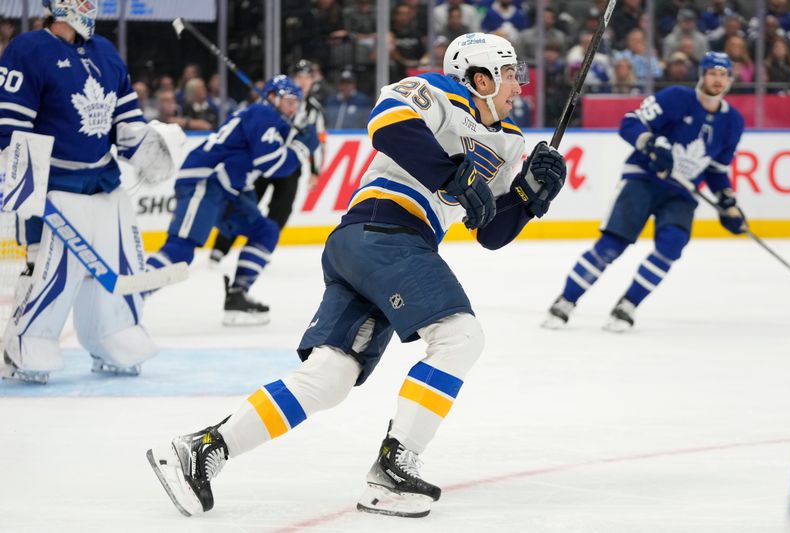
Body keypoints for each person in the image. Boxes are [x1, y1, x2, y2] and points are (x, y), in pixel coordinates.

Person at [147, 33, 567, 518]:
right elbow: (387, 123)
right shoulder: (438, 92)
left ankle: (201, 450)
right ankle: (392, 470)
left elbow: (489, 231)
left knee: (328, 379)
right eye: (511, 73)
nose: (520, 83)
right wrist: (452, 175)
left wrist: (530, 197)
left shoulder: (510, 141)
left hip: (373, 246)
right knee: (460, 336)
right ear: (480, 78)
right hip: (384, 231)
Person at [0, 0, 176, 384]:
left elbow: (125, 121)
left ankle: (114, 335)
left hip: (105, 185)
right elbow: (10, 125)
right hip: (55, 187)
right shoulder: (28, 49)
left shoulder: (106, 52)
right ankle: (29, 343)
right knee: (51, 270)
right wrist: (19, 180)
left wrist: (149, 148)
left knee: (121, 263)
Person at [542, 52, 746, 332]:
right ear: (702, 74)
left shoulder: (733, 122)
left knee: (672, 245)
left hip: (680, 193)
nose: (717, 79)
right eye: (712, 72)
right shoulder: (676, 97)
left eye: (723, 74)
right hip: (643, 179)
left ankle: (628, 305)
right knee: (611, 245)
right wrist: (651, 143)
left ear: (731, 79)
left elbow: (717, 170)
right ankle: (566, 301)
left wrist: (728, 201)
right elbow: (630, 122)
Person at [145, 75, 319, 326]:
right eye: (290, 101)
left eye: (297, 103)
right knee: (180, 251)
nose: (294, 108)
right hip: (204, 181)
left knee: (265, 231)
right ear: (272, 97)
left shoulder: (264, 117)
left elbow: (245, 162)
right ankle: (130, 298)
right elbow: (271, 165)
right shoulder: (263, 114)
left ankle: (237, 296)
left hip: (227, 189)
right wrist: (301, 149)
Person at [209, 60, 328, 267]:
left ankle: (259, 247)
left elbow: (318, 142)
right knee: (245, 203)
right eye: (299, 77)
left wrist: (316, 170)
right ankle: (221, 247)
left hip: (290, 167)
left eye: (307, 78)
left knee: (281, 210)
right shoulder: (271, 104)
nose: (303, 82)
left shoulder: (314, 111)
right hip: (264, 161)